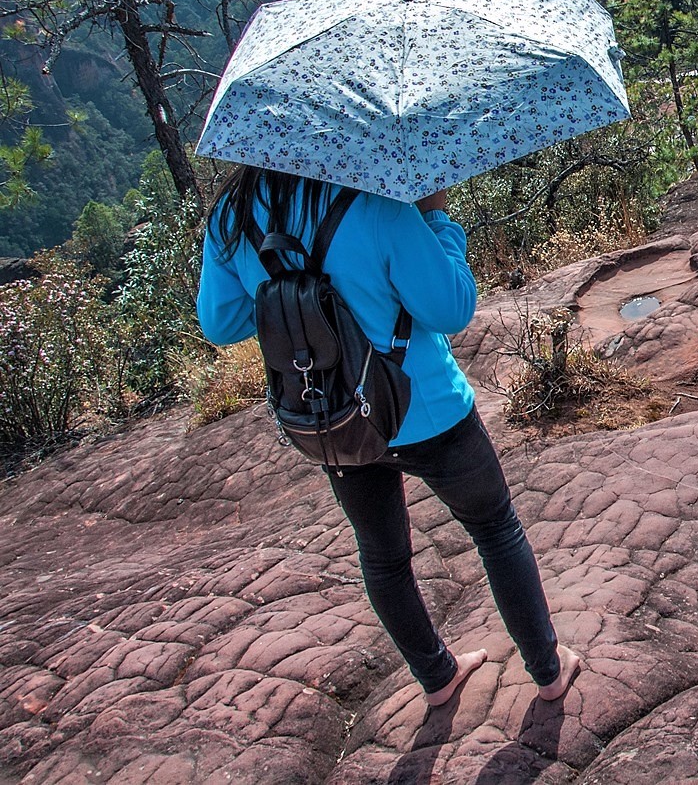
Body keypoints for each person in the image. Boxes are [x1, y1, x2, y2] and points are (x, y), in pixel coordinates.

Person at [197, 168, 581, 708]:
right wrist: (436, 220)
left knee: (383, 557)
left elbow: (221, 323)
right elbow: (451, 308)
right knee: (494, 530)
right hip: (425, 408)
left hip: (335, 419)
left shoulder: (233, 214)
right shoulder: (378, 201)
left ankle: (437, 678)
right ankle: (547, 671)